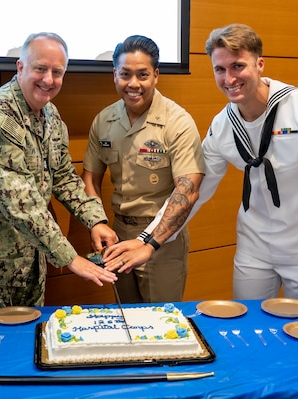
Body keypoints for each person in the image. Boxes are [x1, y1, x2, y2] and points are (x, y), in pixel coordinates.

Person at [103, 24, 298, 310]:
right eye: (220, 69)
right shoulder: (223, 125)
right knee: (248, 330)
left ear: (260, 64)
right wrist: (147, 240)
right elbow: (192, 191)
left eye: (238, 66)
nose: (229, 78)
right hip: (254, 248)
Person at [0, 32, 117, 309]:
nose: (48, 80)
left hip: (30, 265)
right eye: (40, 69)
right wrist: (70, 257)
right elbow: (19, 202)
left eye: (57, 72)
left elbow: (64, 176)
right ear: (21, 67)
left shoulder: (50, 115)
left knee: (26, 350)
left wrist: (96, 220)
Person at [81, 35, 205, 303]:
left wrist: (150, 243)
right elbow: (90, 177)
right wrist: (97, 222)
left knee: (161, 324)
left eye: (142, 75)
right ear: (115, 74)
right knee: (127, 320)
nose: (133, 84)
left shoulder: (178, 122)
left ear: (156, 75)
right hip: (117, 236)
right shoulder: (104, 120)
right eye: (125, 74)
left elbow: (188, 190)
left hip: (163, 241)